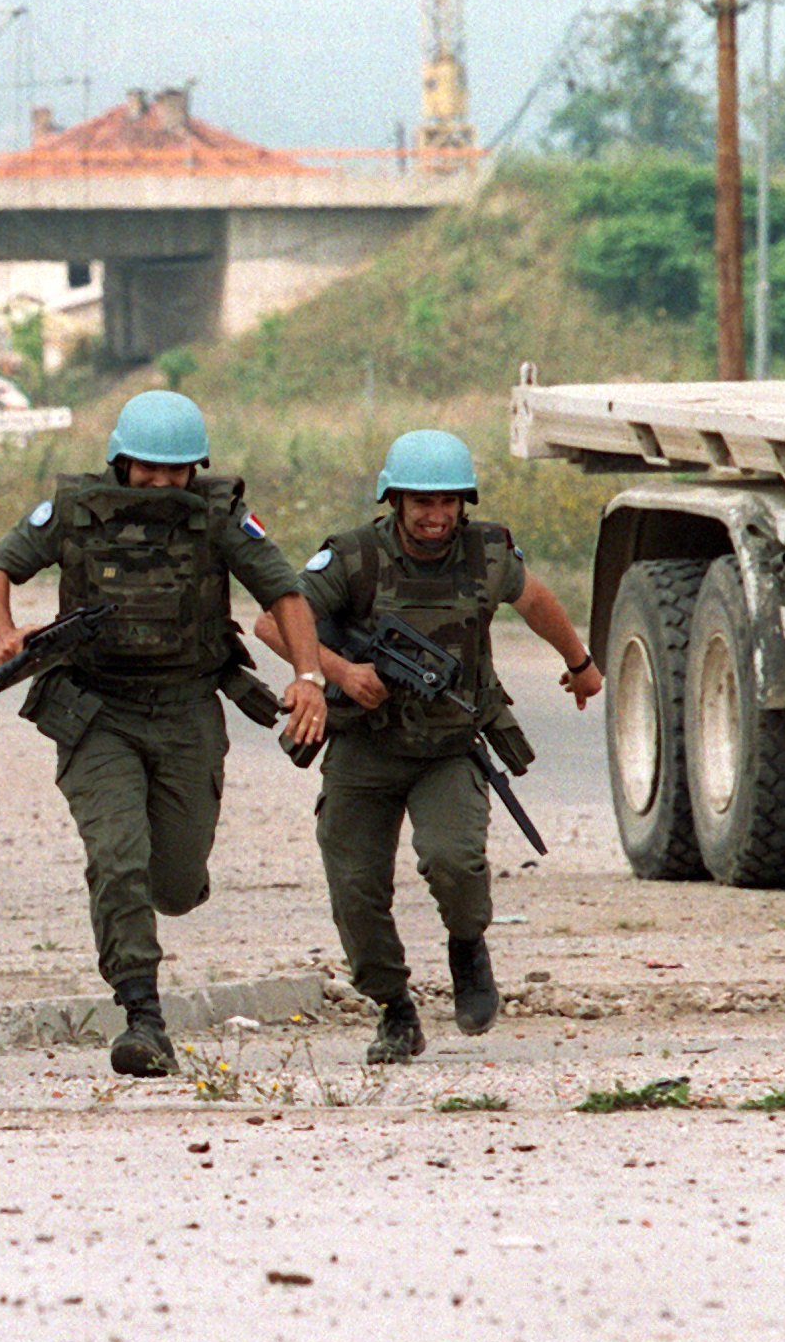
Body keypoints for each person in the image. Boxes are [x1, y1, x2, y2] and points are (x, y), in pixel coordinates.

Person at [0, 390, 327, 1077]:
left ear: (196, 469)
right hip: (96, 712)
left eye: (176, 472)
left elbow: (283, 592)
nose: (163, 485)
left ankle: (167, 900)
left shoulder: (218, 516)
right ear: (120, 462)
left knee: (173, 880)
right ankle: (141, 1014)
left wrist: (308, 675)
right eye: (148, 471)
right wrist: (2, 633)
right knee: (117, 853)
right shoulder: (75, 512)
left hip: (188, 711)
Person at [254, 430, 601, 1064]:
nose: (436, 517)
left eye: (448, 503)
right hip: (365, 749)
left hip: (448, 749)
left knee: (456, 861)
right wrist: (340, 672)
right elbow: (272, 619)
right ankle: (394, 1010)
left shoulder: (486, 553)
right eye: (422, 503)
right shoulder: (355, 557)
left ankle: (468, 946)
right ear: (395, 500)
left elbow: (537, 600)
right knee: (356, 890)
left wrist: (580, 663)